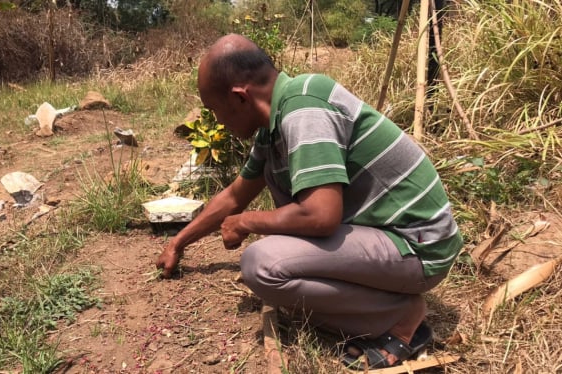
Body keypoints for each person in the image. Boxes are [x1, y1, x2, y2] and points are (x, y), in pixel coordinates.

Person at [156, 33, 463, 369]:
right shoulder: (274, 123)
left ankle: (400, 317)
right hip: (392, 239)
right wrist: (179, 242)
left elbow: (320, 216)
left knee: (263, 265)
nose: (219, 122)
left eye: (215, 110)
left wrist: (245, 222)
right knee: (279, 254)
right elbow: (235, 195)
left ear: (240, 97)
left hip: (418, 245)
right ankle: (386, 302)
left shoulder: (304, 109)